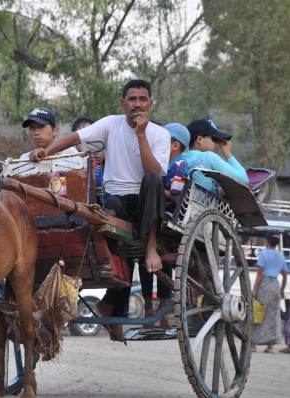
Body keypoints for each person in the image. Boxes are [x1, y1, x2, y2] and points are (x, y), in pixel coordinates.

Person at [30, 79, 171, 341]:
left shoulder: (160, 135)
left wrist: (141, 135)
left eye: (142, 99)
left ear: (150, 104)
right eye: (132, 99)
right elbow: (75, 138)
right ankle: (110, 305)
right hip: (116, 202)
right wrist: (45, 152)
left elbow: (153, 171)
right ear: (123, 103)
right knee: (118, 236)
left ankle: (150, 247)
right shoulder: (111, 123)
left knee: (152, 180)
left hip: (146, 204)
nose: (137, 104)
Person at [140, 122, 190, 329]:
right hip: (158, 211)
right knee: (145, 260)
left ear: (175, 145)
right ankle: (149, 305)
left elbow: (176, 195)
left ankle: (161, 307)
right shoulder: (161, 165)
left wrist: (156, 191)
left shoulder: (177, 165)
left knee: (162, 264)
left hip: (169, 215)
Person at [182, 118, 249, 194]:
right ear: (200, 139)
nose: (217, 144)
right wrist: (228, 154)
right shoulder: (208, 157)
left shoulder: (182, 157)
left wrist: (218, 192)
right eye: (214, 139)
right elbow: (244, 180)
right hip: (202, 206)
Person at [251, 231, 288, 353]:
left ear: (266, 241)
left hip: (264, 286)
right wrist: (282, 289)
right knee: (272, 316)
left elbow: (260, 274)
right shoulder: (281, 256)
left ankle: (253, 345)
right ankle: (270, 346)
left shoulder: (263, 254)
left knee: (258, 313)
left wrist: (254, 288)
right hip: (275, 286)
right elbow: (285, 275)